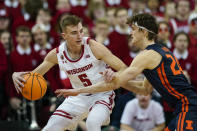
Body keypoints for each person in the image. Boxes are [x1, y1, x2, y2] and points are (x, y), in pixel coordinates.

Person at [56, 13, 197, 131]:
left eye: (134, 29)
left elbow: (115, 84)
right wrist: (116, 80)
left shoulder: (146, 56)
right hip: (182, 107)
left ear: (144, 32)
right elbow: (144, 89)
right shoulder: (159, 50)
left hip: (187, 106)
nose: (130, 33)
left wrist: (80, 90)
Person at [12, 15, 127, 131]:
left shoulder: (93, 47)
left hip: (102, 94)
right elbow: (34, 75)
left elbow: (123, 68)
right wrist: (16, 75)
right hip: (78, 97)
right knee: (51, 126)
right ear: (64, 36)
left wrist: (114, 74)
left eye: (81, 31)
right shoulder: (57, 54)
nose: (79, 36)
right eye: (74, 33)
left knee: (92, 123)